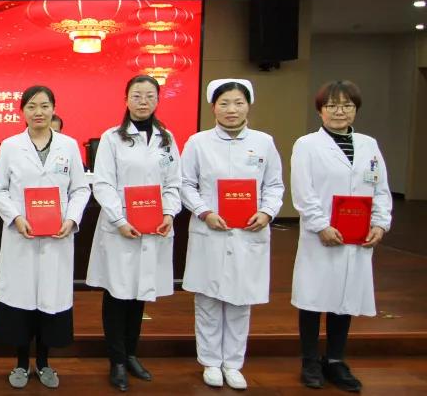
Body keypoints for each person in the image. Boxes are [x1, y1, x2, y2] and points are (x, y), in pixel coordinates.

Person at [180, 79, 284, 390]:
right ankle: (211, 362)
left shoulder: (264, 142)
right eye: (224, 103)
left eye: (238, 103)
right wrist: (204, 212)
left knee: (241, 302)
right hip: (210, 230)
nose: (232, 110)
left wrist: (267, 212)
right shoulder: (198, 142)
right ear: (213, 107)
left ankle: (234, 364)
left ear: (248, 105)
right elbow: (185, 184)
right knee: (208, 300)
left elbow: (274, 185)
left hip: (248, 232)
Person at [291, 80, 392, 393]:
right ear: (320, 110)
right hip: (321, 235)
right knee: (313, 297)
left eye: (347, 105)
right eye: (332, 106)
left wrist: (380, 224)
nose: (339, 112)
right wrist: (321, 225)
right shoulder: (307, 145)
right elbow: (303, 192)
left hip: (357, 236)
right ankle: (310, 361)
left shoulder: (368, 144)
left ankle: (335, 359)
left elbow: (380, 188)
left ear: (355, 109)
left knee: (345, 297)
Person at [0, 86, 91, 389]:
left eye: (45, 106)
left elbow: (80, 189)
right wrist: (15, 217)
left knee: (49, 300)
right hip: (22, 236)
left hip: (57, 237)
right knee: (22, 302)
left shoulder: (68, 146)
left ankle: (44, 363)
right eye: (32, 106)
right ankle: (21, 364)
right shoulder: (10, 146)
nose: (38, 112)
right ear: (22, 111)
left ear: (54, 109)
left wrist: (71, 219)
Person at [86, 74, 182, 392]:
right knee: (117, 294)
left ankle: (131, 354)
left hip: (153, 228)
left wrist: (169, 213)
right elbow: (103, 183)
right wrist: (120, 220)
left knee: (140, 293)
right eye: (137, 95)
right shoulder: (112, 138)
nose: (143, 101)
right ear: (126, 100)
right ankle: (116, 360)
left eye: (149, 96)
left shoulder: (167, 139)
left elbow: (174, 184)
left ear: (158, 100)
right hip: (121, 229)